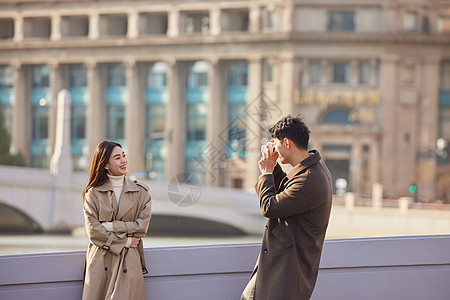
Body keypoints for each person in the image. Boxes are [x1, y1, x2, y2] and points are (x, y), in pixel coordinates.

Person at [241, 115, 332, 300]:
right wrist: (273, 168)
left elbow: (270, 207)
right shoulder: (310, 169)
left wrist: (266, 172)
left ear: (287, 143)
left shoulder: (310, 178)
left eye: (275, 143)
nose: (273, 148)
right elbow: (288, 192)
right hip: (278, 267)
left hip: (287, 274)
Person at [82, 141, 152, 300]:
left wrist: (112, 226)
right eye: (117, 157)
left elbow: (141, 228)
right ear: (105, 164)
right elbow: (93, 232)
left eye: (124, 156)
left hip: (129, 261)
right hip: (101, 261)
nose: (123, 160)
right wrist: (126, 242)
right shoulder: (92, 193)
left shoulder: (141, 192)